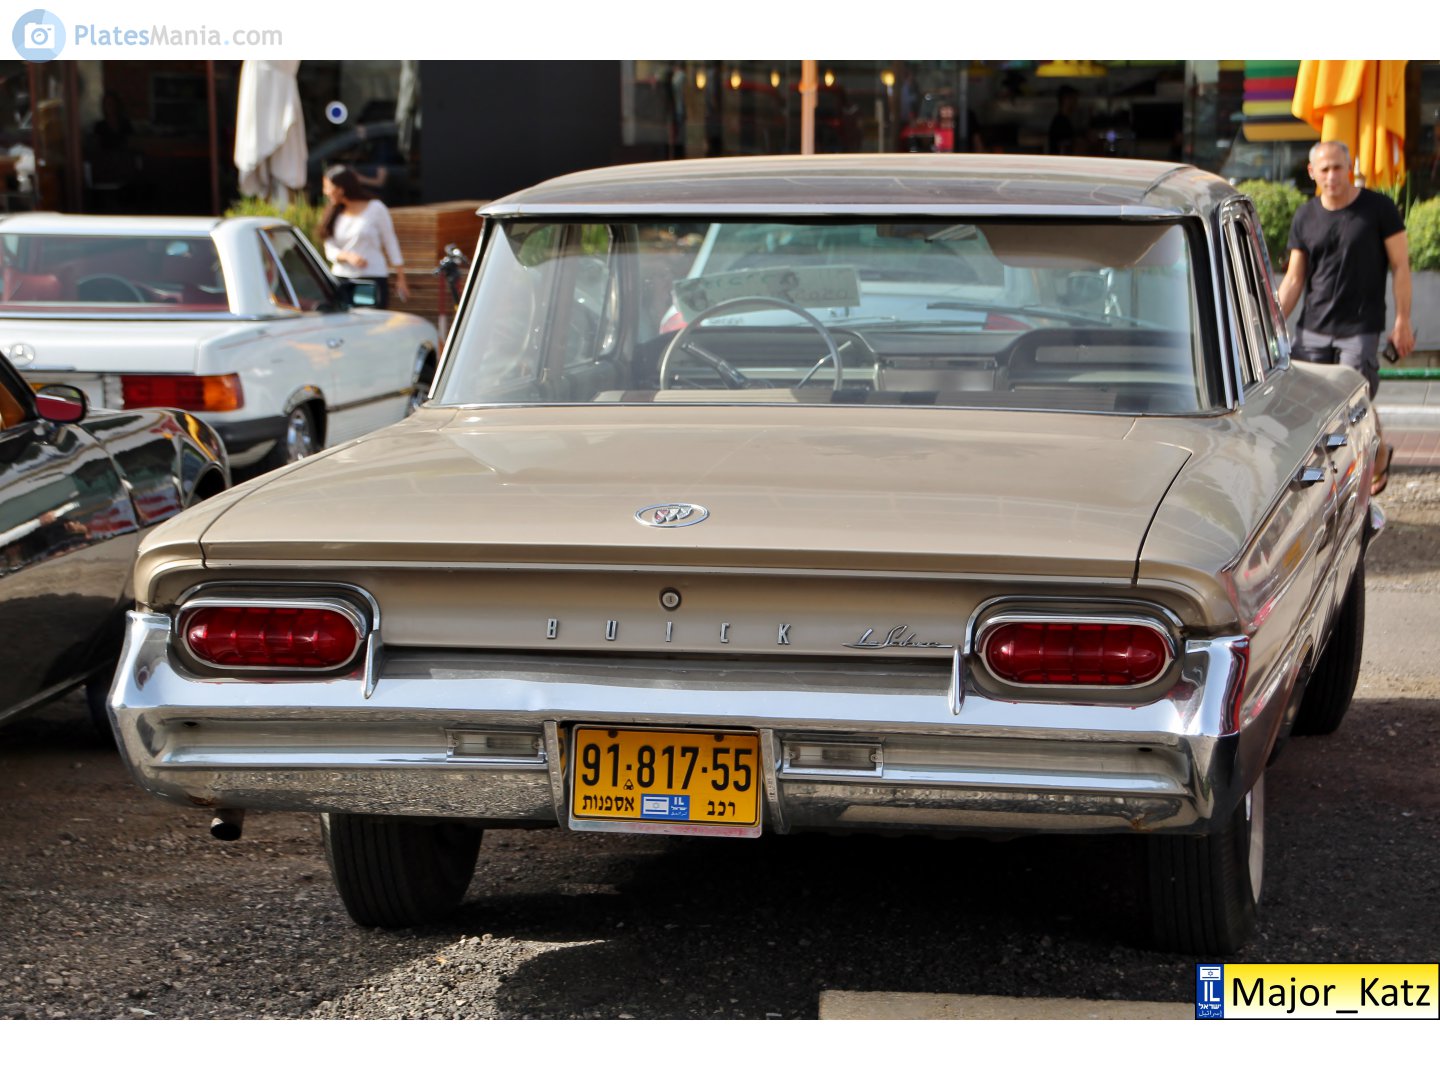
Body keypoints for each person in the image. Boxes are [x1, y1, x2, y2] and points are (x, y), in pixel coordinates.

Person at [1278, 140, 1414, 494]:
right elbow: (1294, 278)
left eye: (1338, 167)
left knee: (1355, 403)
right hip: (1312, 330)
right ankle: (1328, 484)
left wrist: (1402, 321)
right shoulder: (1305, 216)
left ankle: (1369, 467)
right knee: (1307, 409)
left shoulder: (1379, 209)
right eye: (1324, 170)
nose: (1332, 176)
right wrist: (1270, 323)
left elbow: (1401, 267)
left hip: (1360, 329)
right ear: (1312, 173)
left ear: (1349, 167)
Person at [320, 164, 409, 308]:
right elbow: (329, 248)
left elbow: (390, 242)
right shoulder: (333, 214)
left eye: (328, 187)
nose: (325, 192)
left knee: (370, 323)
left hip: (370, 278)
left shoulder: (376, 208)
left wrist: (401, 278)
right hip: (342, 278)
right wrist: (347, 256)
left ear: (341, 189)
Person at [1047, 85, 1079, 154]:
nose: (1076, 103)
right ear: (1066, 99)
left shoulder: (1064, 120)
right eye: (1074, 99)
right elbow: (1063, 147)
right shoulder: (1060, 122)